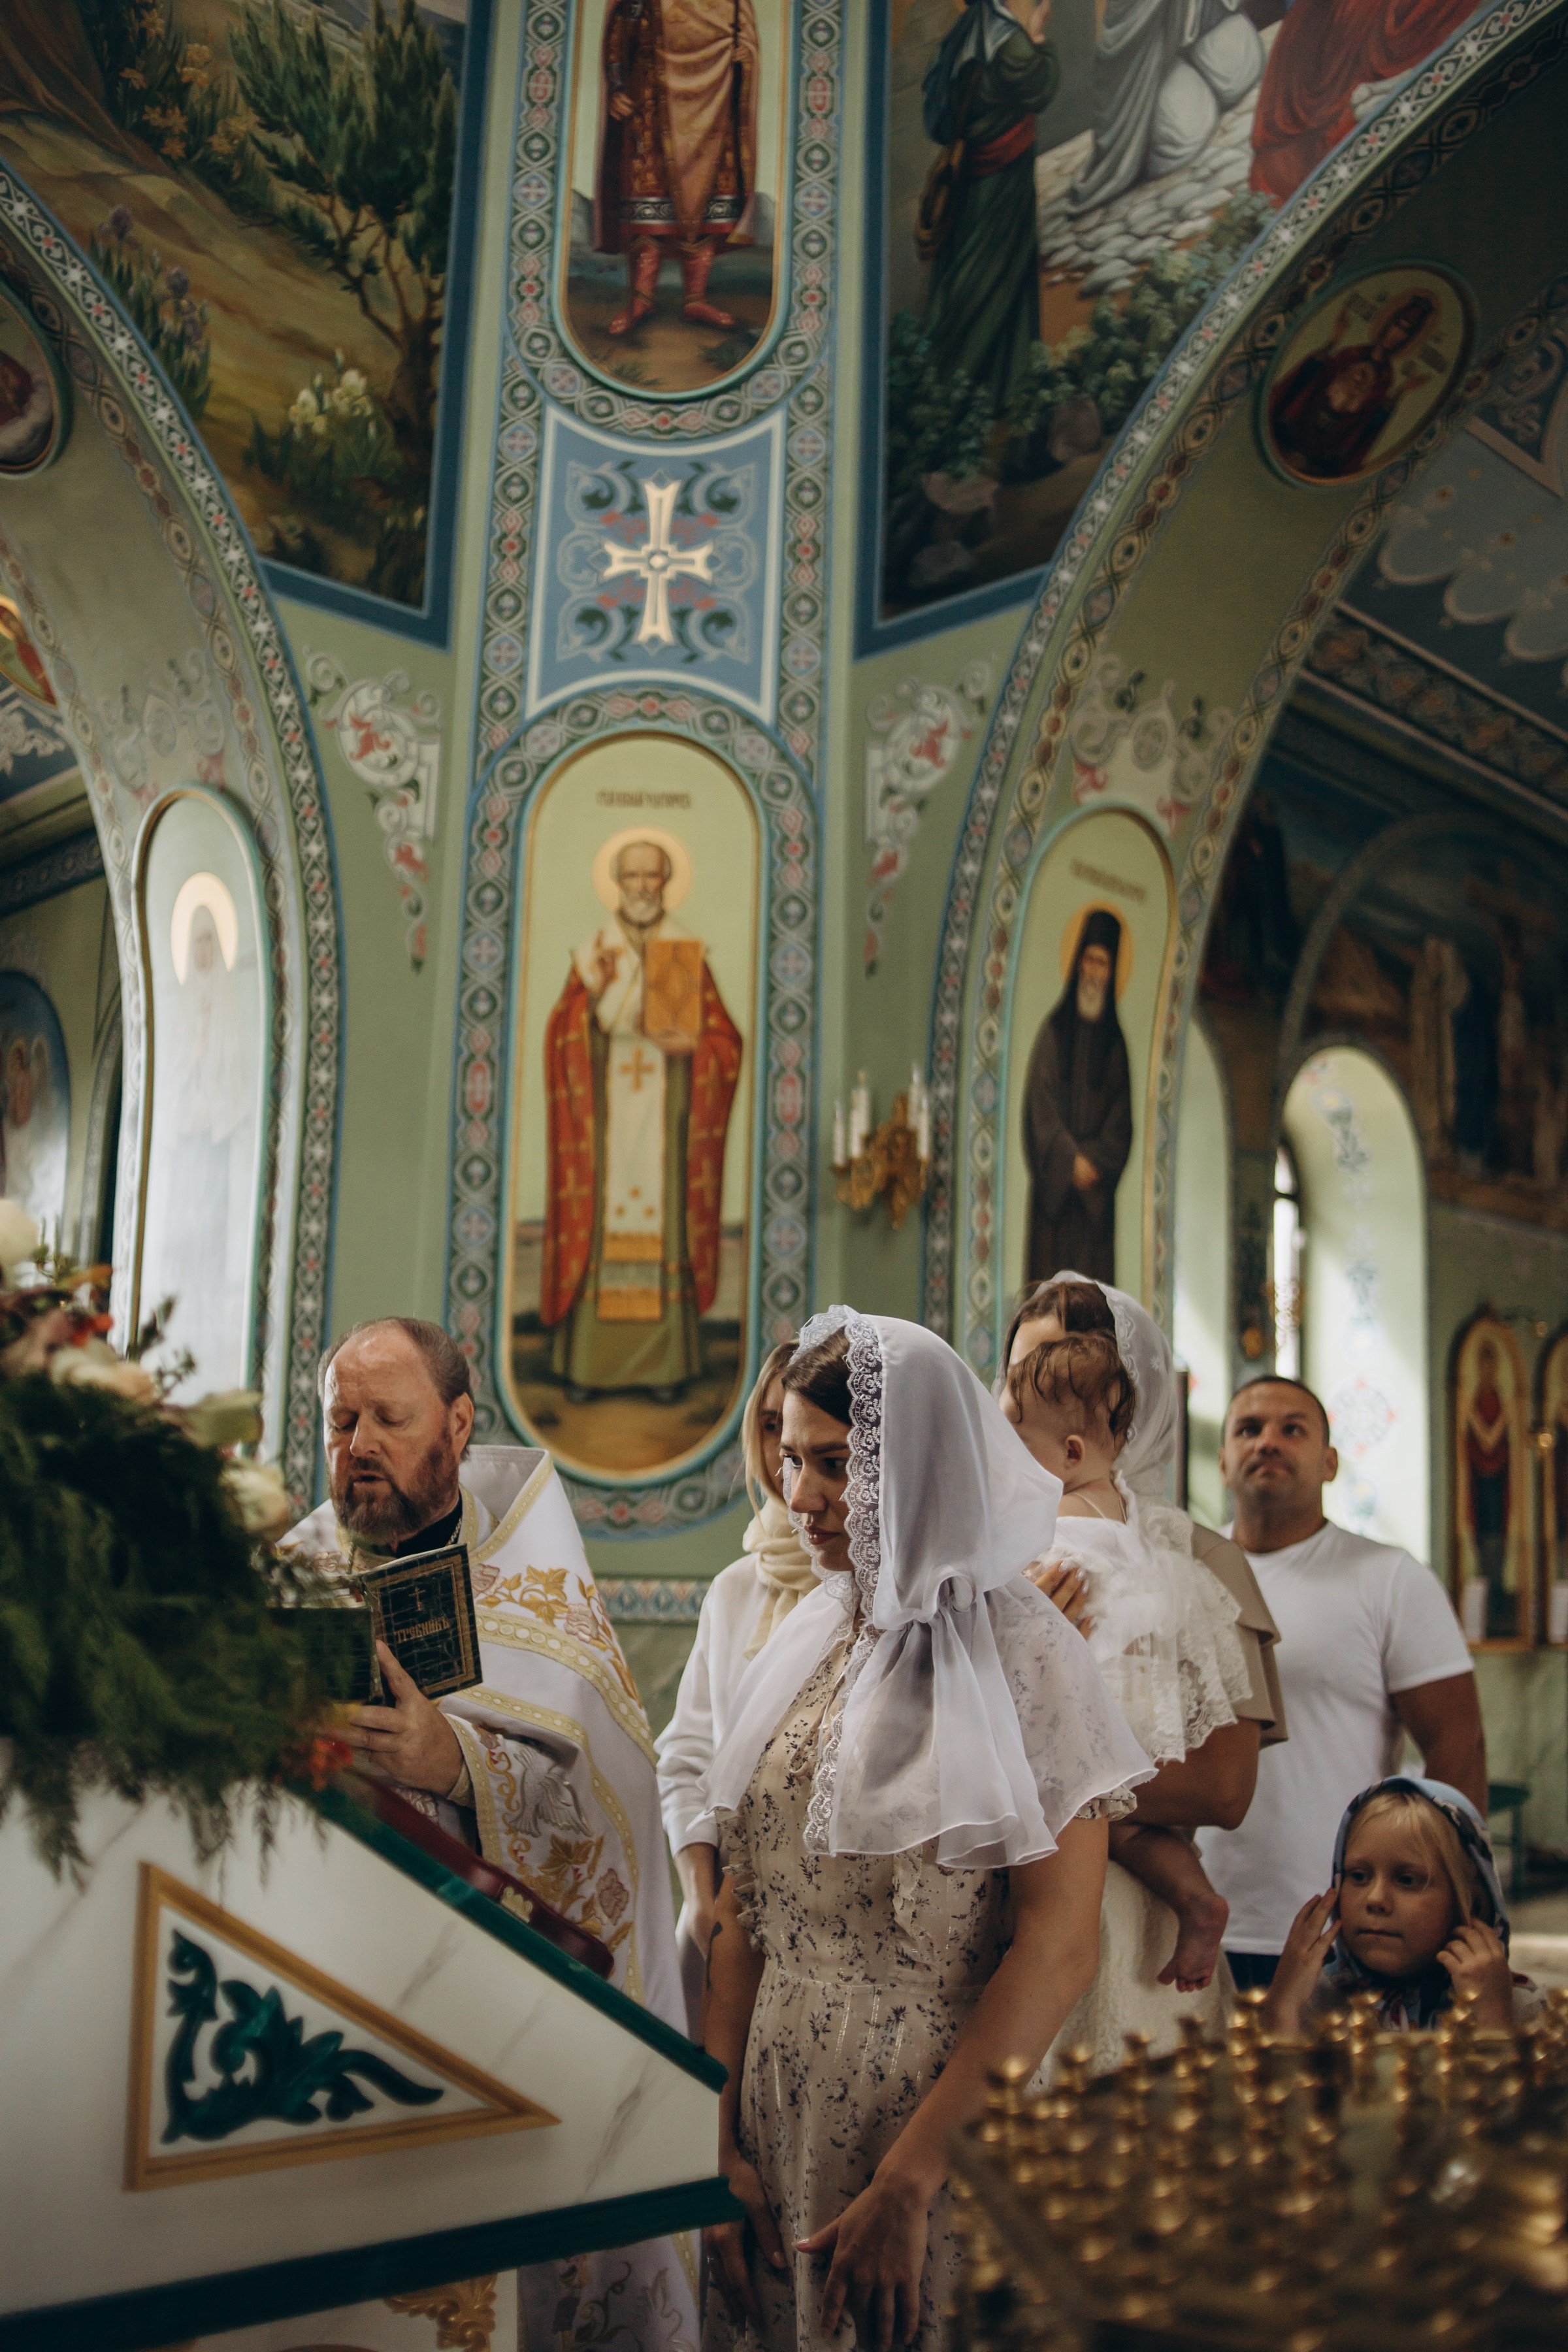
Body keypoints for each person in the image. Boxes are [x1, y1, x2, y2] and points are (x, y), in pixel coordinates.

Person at [700, 1307, 1151, 2352]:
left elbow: (1058, 1945)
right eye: (791, 1459)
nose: (799, 1495)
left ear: (920, 1462)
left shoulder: (1031, 1653)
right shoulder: (804, 1639)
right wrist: (711, 2142)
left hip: (939, 2124)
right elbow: (740, 1912)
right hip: (773, 2106)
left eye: (834, 1465)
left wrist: (911, 2183)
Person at [281, 1316, 698, 2352]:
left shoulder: (535, 1585)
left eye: (388, 1419)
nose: (358, 1445)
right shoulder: (288, 1575)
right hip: (328, 2002)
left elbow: (613, 1805)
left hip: (491, 2014)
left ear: (458, 1424)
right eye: (339, 1421)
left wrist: (459, 1764)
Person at [1001, 1275, 1286, 2072]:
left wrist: (1028, 1764)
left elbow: (1222, 1789)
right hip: (988, 1915)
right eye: (1022, 1375)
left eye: (1064, 1372)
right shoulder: (989, 1546)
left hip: (1132, 1924)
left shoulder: (1201, 1560)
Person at [1199, 1376, 1484, 1991]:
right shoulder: (1183, 1574)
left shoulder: (1389, 1578)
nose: (1268, 1442)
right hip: (1193, 1915)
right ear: (1223, 1462)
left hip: (1344, 1920)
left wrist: (1453, 1908)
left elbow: (1457, 1744)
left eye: (1292, 1429)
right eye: (1249, 1430)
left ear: (1329, 1463)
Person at [542, 834, 742, 1402]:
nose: (642, 887)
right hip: (605, 1125)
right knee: (602, 1223)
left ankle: (665, 1366)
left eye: (652, 876)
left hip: (666, 1123)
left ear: (666, 881)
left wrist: (695, 1048)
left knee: (664, 1227)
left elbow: (726, 1042)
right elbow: (560, 1035)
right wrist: (591, 1001)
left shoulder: (684, 953)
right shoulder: (595, 954)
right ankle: (589, 1365)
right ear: (618, 883)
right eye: (631, 876)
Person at [656, 1339, 819, 2029]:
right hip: (727, 1915)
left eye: (806, 1431)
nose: (784, 1450)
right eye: (771, 1425)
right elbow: (687, 1756)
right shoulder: (735, 1590)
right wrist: (700, 1894)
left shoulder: (877, 1593)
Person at [1260, 1776, 1543, 2035]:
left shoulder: (1516, 2006)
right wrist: (1281, 2009)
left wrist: (1492, 2019)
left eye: (1407, 1880)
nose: (1375, 1899)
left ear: (1472, 1904)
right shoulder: (1314, 1999)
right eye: (1358, 1876)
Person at [919, 0, 1059, 416]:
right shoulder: (1011, 43)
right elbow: (1042, 86)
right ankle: (954, 390)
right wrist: (1039, 37)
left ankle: (1001, 387)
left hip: (976, 180)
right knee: (992, 278)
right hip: (1002, 183)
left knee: (987, 276)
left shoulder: (968, 31)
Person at [593, 0, 762, 336]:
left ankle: (695, 299)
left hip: (714, 105)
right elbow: (621, 30)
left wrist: (747, 54)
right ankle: (641, 299)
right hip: (650, 100)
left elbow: (743, 35)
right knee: (648, 202)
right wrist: (617, 86)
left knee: (708, 203)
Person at [1022, 909, 1133, 1284]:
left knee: (1092, 1297)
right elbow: (1040, 1106)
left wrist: (1093, 1162)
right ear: (1078, 963)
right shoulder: (1054, 1032)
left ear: (1112, 972)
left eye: (1103, 963)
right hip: (1053, 1207)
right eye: (1089, 959)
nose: (1094, 971)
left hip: (1094, 1208)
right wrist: (1070, 1159)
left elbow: (1122, 1121)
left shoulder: (1115, 1046)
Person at [1266, 293, 1439, 481]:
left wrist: (1400, 392)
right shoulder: (1351, 353)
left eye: (1406, 331)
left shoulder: (1386, 379)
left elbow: (1368, 426)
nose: (1397, 334)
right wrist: (1334, 340)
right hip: (1296, 426)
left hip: (1324, 451)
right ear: (1389, 324)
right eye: (1398, 325)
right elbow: (1311, 375)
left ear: (1410, 339)